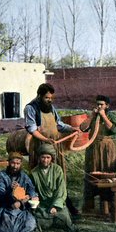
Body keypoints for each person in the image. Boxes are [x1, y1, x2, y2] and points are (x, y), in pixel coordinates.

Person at [24, 83, 80, 217]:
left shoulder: (51, 108)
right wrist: (44, 139)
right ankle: (39, 207)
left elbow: (59, 125)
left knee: (58, 175)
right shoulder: (30, 108)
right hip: (40, 146)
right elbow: (31, 129)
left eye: (51, 98)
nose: (49, 100)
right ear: (39, 96)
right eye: (47, 97)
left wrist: (72, 128)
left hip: (55, 146)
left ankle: (62, 204)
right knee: (40, 176)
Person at [80, 95, 116, 212]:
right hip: (93, 147)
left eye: (101, 104)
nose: (99, 106)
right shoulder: (93, 116)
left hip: (107, 148)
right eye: (97, 104)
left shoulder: (111, 116)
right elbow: (83, 128)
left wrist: (103, 116)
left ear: (107, 106)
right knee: (92, 172)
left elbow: (114, 129)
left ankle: (107, 205)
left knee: (107, 173)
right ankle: (89, 206)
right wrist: (92, 116)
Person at [30, 144, 77, 232]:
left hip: (57, 203)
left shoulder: (57, 169)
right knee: (41, 222)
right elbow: (32, 191)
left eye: (48, 157)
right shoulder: (33, 173)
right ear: (39, 158)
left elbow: (61, 190)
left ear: (52, 158)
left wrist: (55, 206)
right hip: (43, 205)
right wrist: (35, 199)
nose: (45, 160)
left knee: (65, 220)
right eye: (43, 157)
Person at [0, 152, 38, 232]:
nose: (15, 166)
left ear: (21, 164)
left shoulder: (23, 176)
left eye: (18, 163)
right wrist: (10, 191)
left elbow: (31, 188)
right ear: (8, 163)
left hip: (21, 209)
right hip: (6, 208)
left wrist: (33, 196)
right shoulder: (1, 176)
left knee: (30, 223)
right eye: (13, 163)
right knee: (9, 227)